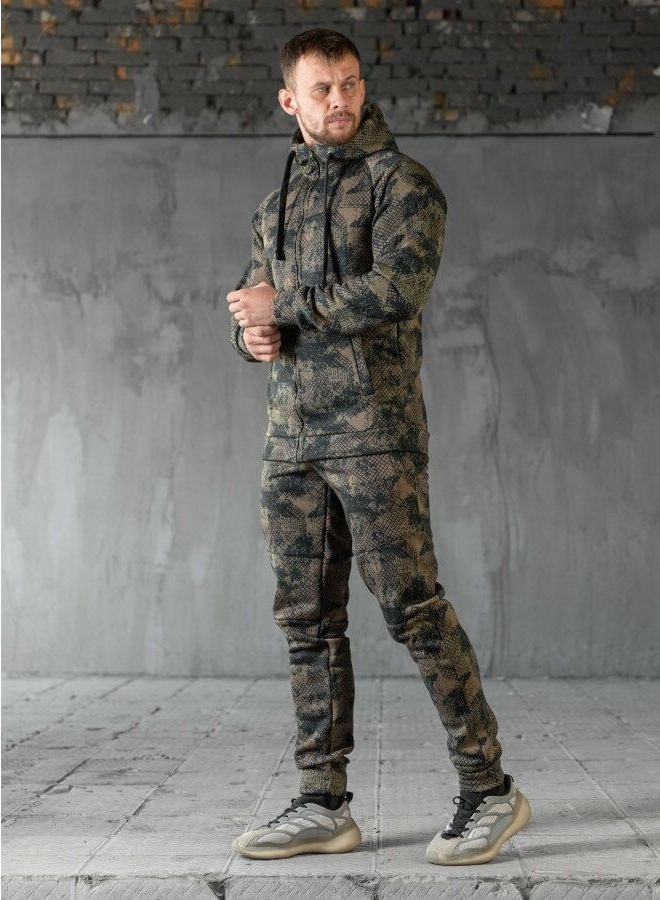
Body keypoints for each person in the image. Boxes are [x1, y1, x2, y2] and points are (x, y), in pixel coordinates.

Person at [227, 28, 531, 866]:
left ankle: (489, 788)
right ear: (289, 101)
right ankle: (322, 801)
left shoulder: (403, 183)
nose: (340, 100)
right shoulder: (274, 203)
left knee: (412, 607)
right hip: (291, 437)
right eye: (322, 89)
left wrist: (285, 307)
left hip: (373, 433)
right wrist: (250, 336)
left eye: (350, 84)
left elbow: (396, 289)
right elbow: (259, 303)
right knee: (306, 620)